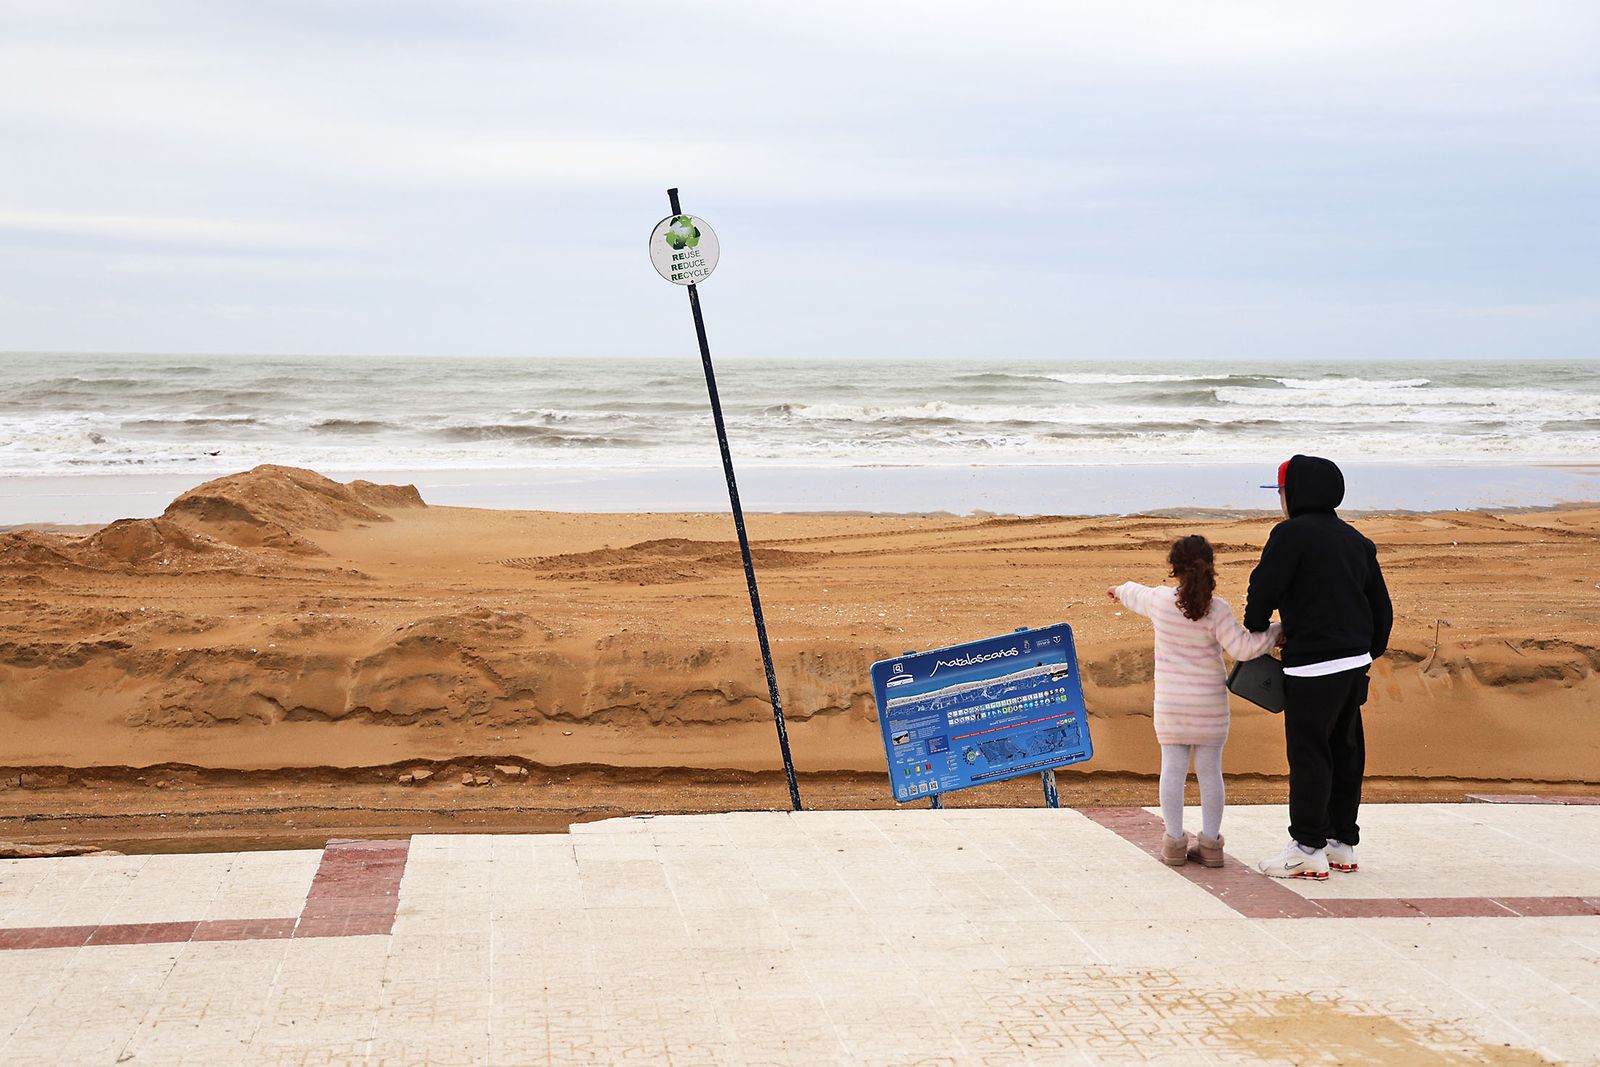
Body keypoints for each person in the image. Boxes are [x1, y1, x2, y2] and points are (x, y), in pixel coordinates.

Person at [1244, 455, 1393, 880]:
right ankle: (1340, 842)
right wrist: (1367, 651)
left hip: (1313, 666)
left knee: (1310, 754)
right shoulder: (1357, 540)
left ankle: (1307, 847)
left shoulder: (1289, 534)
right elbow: (1381, 608)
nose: (1281, 501)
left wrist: (1257, 628)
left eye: (1280, 493)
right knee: (1345, 751)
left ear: (1293, 493)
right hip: (1353, 663)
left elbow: (1264, 586)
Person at [1109, 535, 1281, 867]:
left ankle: (1174, 844)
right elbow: (1244, 649)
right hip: (1209, 707)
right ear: (1210, 568)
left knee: (1171, 770)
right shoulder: (1217, 610)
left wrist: (1118, 589)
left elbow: (1134, 592)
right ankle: (1211, 846)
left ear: (1173, 570)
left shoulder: (1160, 601)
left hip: (1172, 706)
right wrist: (1274, 632)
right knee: (1210, 773)